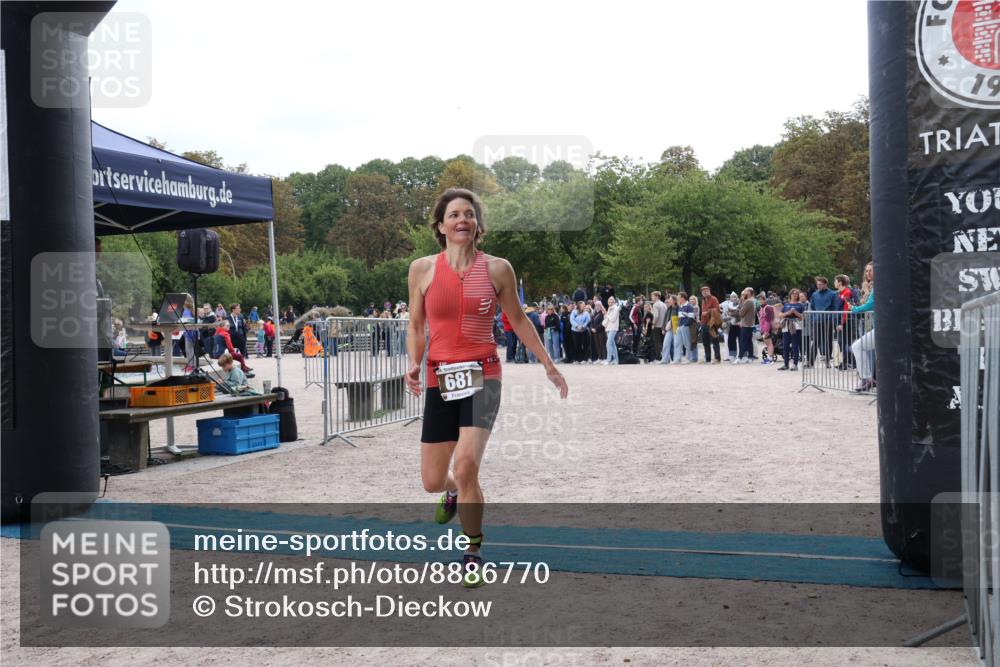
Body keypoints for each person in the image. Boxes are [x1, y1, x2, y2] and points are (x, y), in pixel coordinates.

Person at [405, 188, 568, 589]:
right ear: (440, 226)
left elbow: (518, 319)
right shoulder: (422, 270)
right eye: (454, 215)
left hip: (483, 374)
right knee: (433, 480)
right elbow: (415, 325)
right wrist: (413, 361)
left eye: (469, 215)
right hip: (439, 376)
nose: (463, 220)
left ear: (477, 224)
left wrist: (548, 364)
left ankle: (472, 551)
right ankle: (454, 493)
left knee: (466, 467)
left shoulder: (497, 269)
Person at [850, 262, 876, 392]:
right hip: (879, 327)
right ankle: (868, 379)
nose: (868, 273)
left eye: (870, 270)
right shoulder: (875, 286)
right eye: (866, 271)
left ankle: (867, 379)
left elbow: (870, 304)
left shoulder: (879, 285)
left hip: (883, 328)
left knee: (857, 346)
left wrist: (854, 309)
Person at [806, 276, 838, 368]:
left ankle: (827, 361)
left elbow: (835, 308)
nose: (818, 286)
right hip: (817, 321)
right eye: (818, 284)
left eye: (820, 284)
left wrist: (835, 321)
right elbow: (812, 307)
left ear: (825, 284)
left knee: (828, 341)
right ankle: (811, 362)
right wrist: (813, 319)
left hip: (828, 321)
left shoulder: (832, 294)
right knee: (816, 341)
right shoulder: (815, 295)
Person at [777, 288, 806, 371]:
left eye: (796, 294)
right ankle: (786, 364)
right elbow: (780, 315)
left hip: (796, 326)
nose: (795, 295)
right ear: (790, 294)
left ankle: (795, 364)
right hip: (786, 326)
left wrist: (795, 313)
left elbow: (803, 317)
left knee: (795, 346)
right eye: (793, 293)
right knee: (785, 345)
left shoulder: (800, 305)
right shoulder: (786, 304)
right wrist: (788, 313)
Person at [699, 286, 722, 364]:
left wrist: (707, 312)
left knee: (715, 340)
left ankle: (717, 358)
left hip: (712, 323)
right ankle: (707, 358)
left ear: (709, 291)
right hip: (703, 323)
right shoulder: (703, 300)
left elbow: (717, 310)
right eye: (703, 291)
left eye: (706, 291)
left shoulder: (714, 299)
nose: (704, 292)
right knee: (705, 342)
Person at [737, 288, 756, 363]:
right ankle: (750, 357)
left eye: (745, 291)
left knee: (743, 341)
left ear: (749, 292)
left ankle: (739, 357)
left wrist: (741, 302)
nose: (744, 292)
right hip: (749, 324)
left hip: (746, 324)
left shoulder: (748, 302)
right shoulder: (751, 301)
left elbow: (741, 313)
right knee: (748, 341)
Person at [659, 295, 678, 364]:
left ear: (674, 300)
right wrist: (663, 328)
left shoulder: (677, 308)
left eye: (670, 299)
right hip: (669, 329)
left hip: (676, 328)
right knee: (665, 344)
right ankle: (665, 360)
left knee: (676, 344)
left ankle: (677, 359)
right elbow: (665, 319)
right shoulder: (669, 308)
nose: (669, 301)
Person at [721, 292, 740, 361]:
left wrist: (731, 315)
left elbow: (739, 314)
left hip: (737, 325)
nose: (733, 298)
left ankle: (739, 355)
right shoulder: (727, 305)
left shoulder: (739, 304)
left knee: (738, 341)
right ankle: (728, 356)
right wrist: (725, 319)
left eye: (734, 297)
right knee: (728, 342)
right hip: (728, 326)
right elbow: (724, 315)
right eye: (732, 297)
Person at [757, 294, 775, 365]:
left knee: (769, 344)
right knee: (767, 344)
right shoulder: (762, 308)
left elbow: (768, 321)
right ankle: (769, 358)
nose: (760, 301)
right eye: (759, 300)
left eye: (761, 300)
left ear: (765, 300)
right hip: (763, 329)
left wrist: (766, 331)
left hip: (767, 329)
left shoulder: (767, 308)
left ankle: (770, 359)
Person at [603, 296, 620, 364]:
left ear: (614, 302)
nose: (609, 303)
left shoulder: (616, 308)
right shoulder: (610, 308)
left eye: (611, 302)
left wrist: (606, 314)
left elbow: (613, 319)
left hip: (613, 328)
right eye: (609, 302)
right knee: (612, 344)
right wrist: (606, 314)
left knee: (608, 343)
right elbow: (607, 318)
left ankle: (609, 359)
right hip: (608, 328)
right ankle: (616, 360)